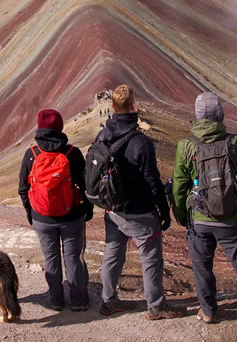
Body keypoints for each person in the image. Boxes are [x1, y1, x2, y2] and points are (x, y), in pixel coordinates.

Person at [172, 92, 237, 329]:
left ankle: (209, 312)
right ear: (220, 114)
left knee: (202, 267)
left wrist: (184, 218)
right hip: (233, 221)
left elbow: (178, 187)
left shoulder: (186, 146)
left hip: (200, 220)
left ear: (198, 115)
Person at [96, 85, 186, 320]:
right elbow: (153, 182)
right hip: (141, 213)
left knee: (113, 254)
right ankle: (155, 305)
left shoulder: (102, 135)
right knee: (151, 259)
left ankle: (108, 301)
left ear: (112, 106)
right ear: (134, 106)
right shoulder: (141, 142)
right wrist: (164, 211)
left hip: (112, 210)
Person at [18, 109, 93, 312]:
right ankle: (78, 301)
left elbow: (23, 189)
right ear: (60, 127)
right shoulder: (71, 153)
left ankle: (56, 300)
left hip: (42, 218)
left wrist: (31, 213)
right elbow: (85, 186)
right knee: (73, 259)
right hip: (72, 217)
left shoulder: (31, 154)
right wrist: (88, 209)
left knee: (51, 260)